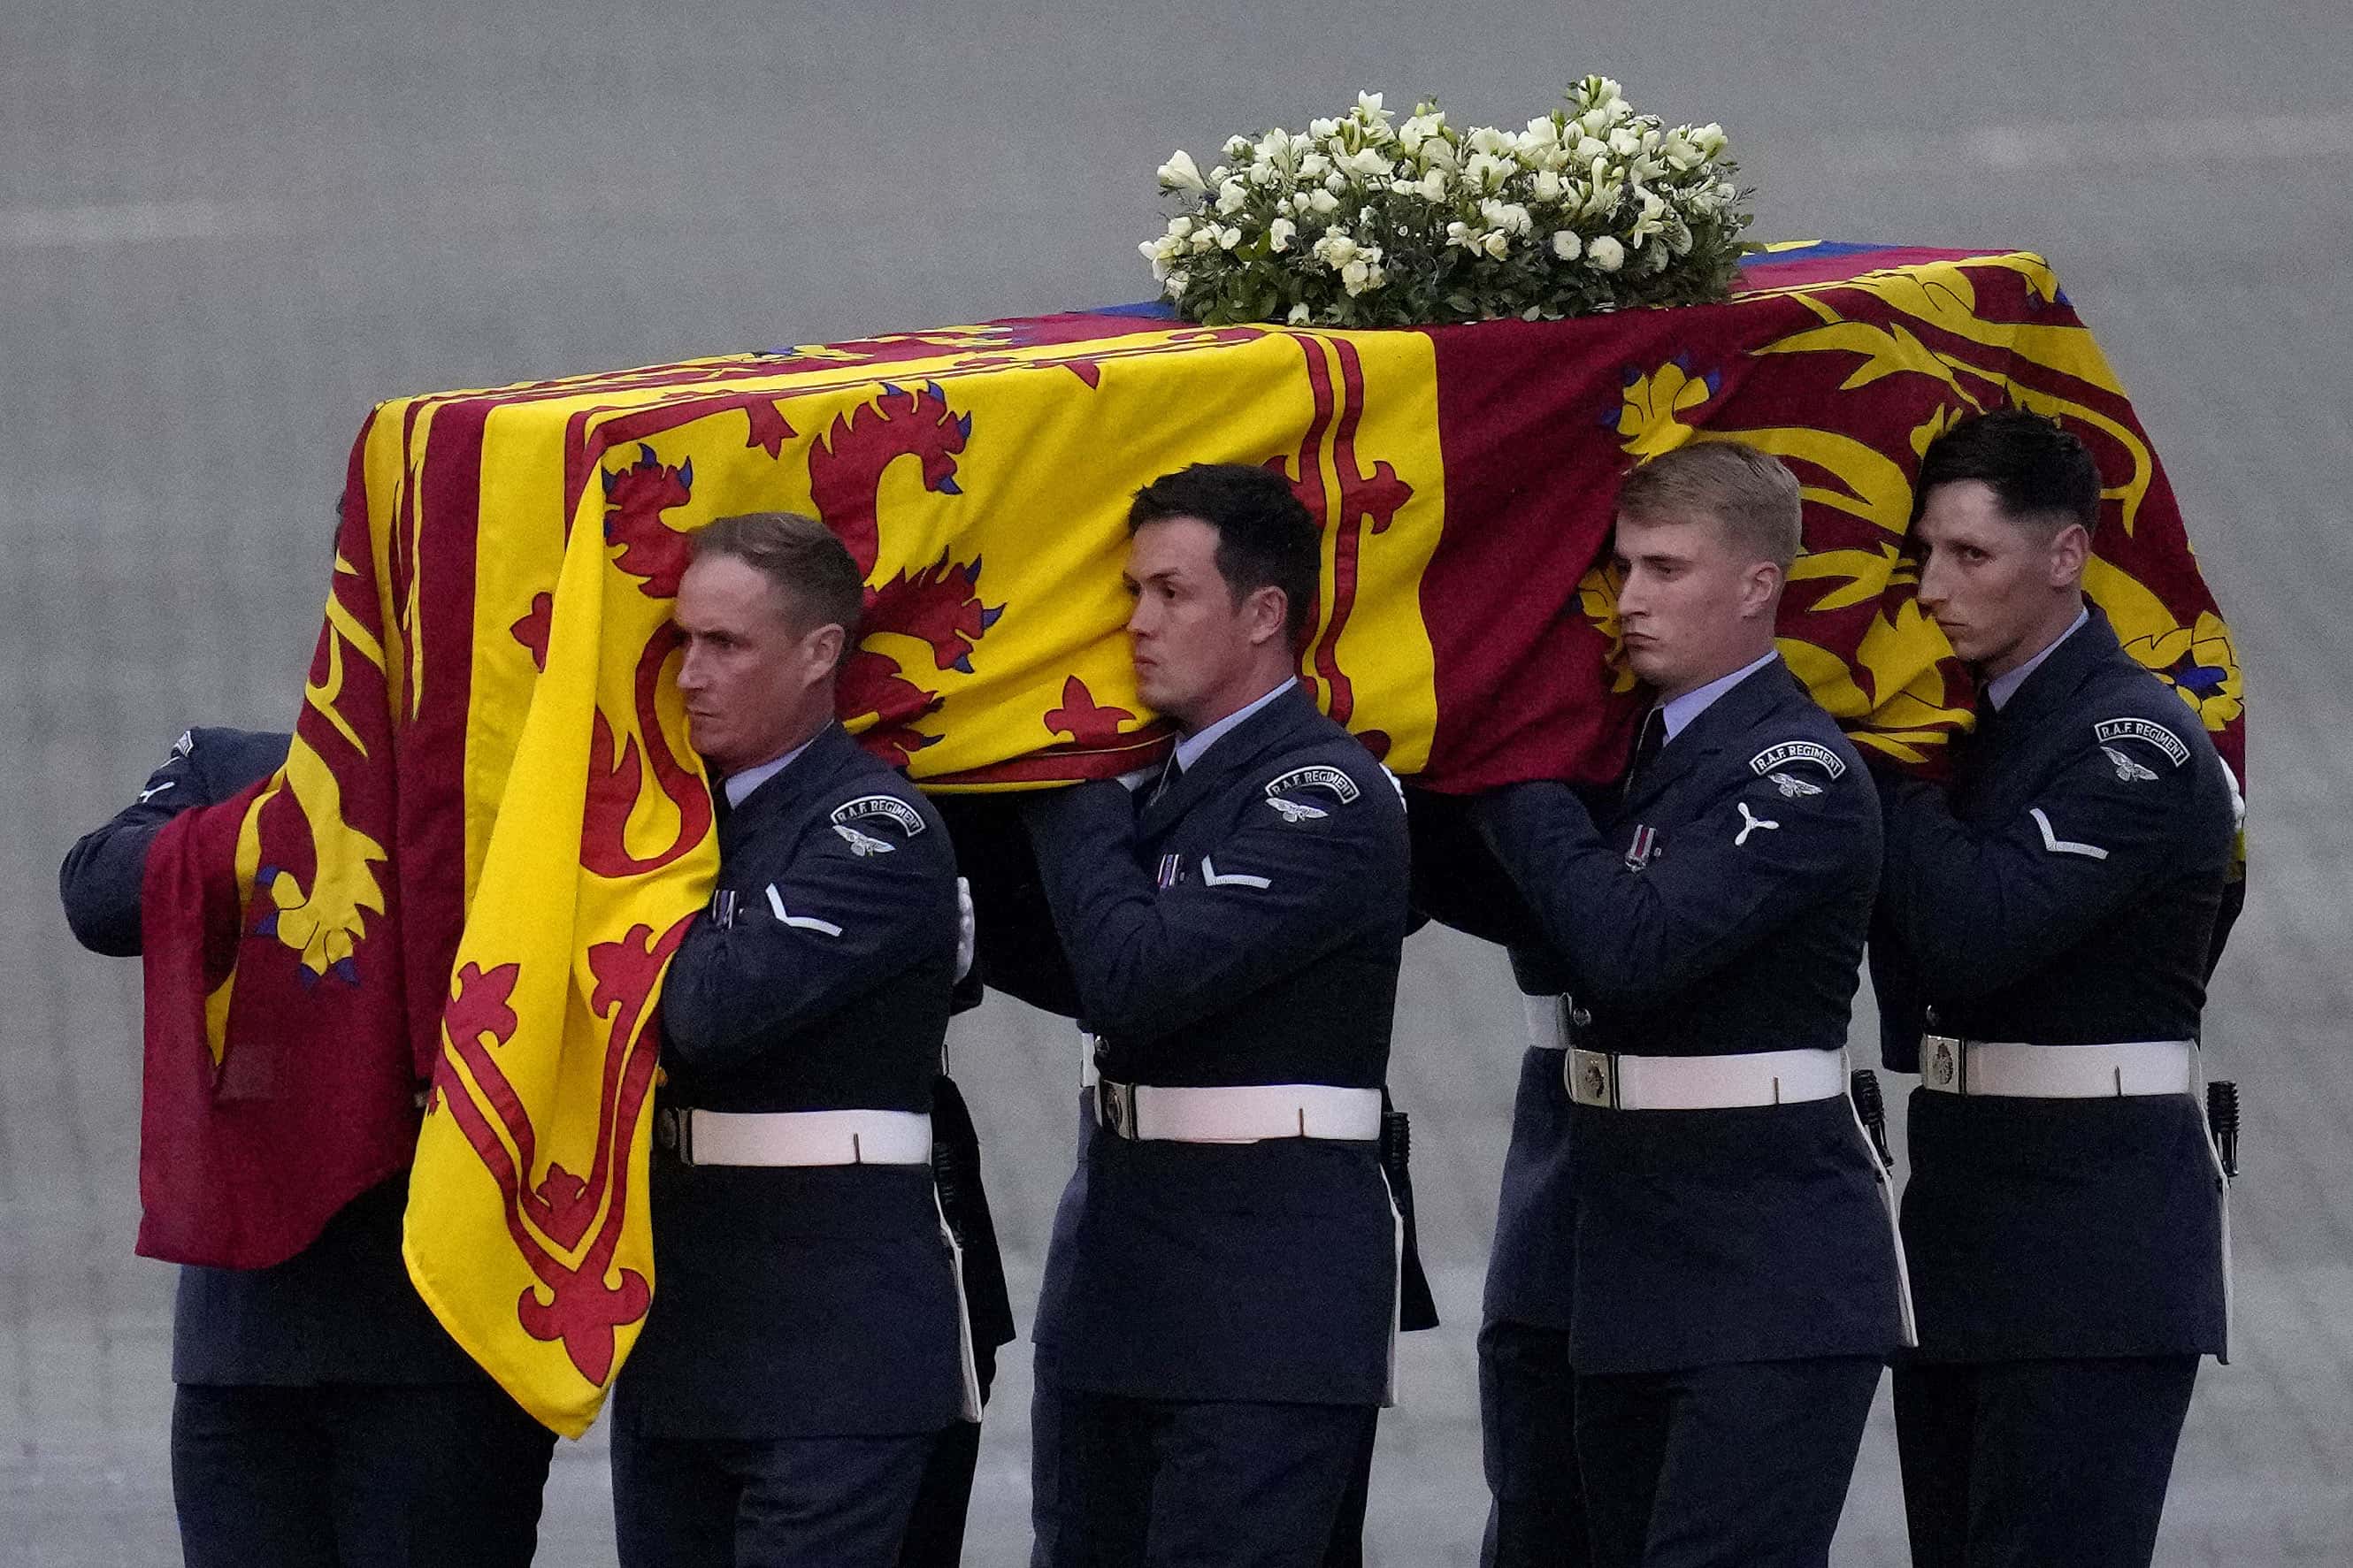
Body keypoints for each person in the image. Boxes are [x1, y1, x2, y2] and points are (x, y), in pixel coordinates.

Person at [1458, 441, 1912, 1568]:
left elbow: (1628, 946)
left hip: (1765, 1270)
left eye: (1665, 569)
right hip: (1619, 1255)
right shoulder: (1632, 753)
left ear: (1758, 586)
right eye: (1621, 569)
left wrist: (1513, 770)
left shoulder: (1793, 773)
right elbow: (1509, 898)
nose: (1630, 602)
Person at [1016, 463, 1412, 1567]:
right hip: (1114, 1279)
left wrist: (1065, 778)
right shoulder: (1165, 783)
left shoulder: (1318, 794)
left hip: (1262, 1309)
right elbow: (1063, 958)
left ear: (1262, 614)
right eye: (1132, 593)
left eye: (1171, 594)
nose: (1137, 624)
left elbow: (1134, 976)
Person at [1869, 409, 2239, 1568]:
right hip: (1965, 1228)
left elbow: (1978, 933)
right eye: (1924, 552)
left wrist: (1891, 774)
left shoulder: (2134, 740)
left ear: (2067, 555)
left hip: (2093, 1251)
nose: (1933, 587)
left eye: (1971, 555)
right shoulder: (1976, 719)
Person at [60, 725, 556, 1568]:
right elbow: (97, 892)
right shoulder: (236, 765)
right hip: (245, 1349)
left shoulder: (518, 787)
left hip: (443, 1351)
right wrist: (294, 814)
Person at [608, 511, 974, 1568]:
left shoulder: (872, 828)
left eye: (727, 645)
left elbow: (707, 1014)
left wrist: (622, 917)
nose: (689, 674)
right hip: (683, 1335)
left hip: (832, 1354)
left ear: (821, 653)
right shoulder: (673, 814)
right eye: (682, 640)